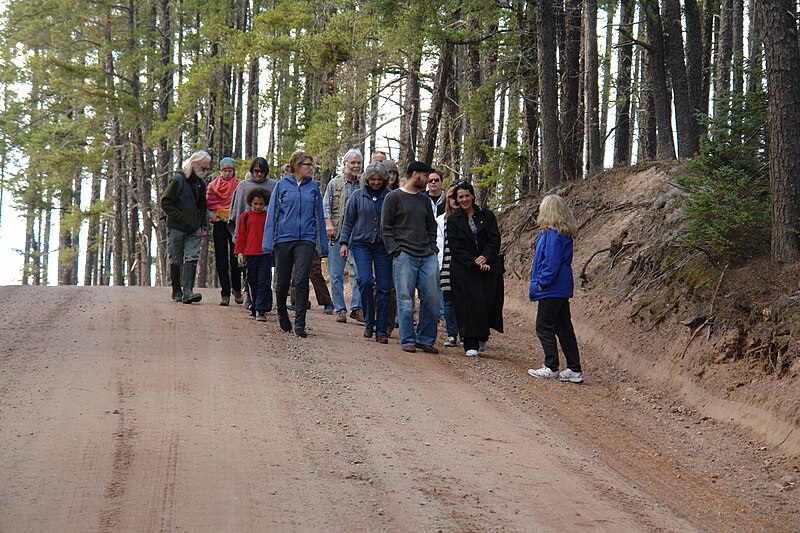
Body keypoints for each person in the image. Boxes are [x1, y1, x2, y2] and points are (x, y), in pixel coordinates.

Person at [263, 150, 328, 338]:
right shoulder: (282, 185)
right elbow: (272, 215)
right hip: (284, 239)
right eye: (308, 165)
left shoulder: (314, 188)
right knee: (282, 283)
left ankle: (300, 323)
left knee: (301, 280)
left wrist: (322, 245)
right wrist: (268, 242)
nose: (311, 168)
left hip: (306, 240)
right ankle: (282, 314)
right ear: (297, 165)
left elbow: (318, 217)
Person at [381, 161, 440, 354]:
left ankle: (426, 339)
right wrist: (395, 250)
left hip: (427, 254)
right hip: (404, 254)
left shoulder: (424, 200)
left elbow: (431, 226)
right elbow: (386, 227)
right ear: (415, 174)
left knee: (431, 298)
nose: (428, 180)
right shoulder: (393, 197)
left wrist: (433, 247)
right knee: (405, 298)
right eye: (425, 176)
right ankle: (407, 339)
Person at [527, 194, 583, 383]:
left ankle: (551, 366)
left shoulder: (552, 235)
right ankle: (574, 368)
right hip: (561, 286)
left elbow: (550, 263)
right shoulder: (563, 234)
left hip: (552, 287)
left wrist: (542, 282)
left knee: (543, 326)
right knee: (563, 327)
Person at [446, 181, 504, 357]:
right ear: (456, 199)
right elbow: (455, 247)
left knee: (485, 301)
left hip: (487, 267)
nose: (464, 199)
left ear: (473, 196)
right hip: (464, 268)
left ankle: (482, 336)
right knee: (466, 304)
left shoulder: (487, 215)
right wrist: (474, 261)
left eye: (467, 195)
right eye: (460, 197)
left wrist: (485, 257)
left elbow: (495, 239)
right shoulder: (453, 220)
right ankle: (469, 341)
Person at [339, 162, 393, 344]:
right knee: (365, 280)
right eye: (372, 179)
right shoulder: (357, 196)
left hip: (383, 246)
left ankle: (382, 329)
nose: (376, 182)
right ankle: (369, 322)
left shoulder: (390, 197)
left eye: (379, 179)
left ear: (384, 179)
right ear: (367, 179)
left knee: (385, 287)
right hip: (361, 244)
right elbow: (348, 221)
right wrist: (344, 243)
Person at [228, 157, 278, 311]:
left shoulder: (274, 186)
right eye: (256, 171)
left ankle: (263, 303)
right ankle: (250, 298)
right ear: (251, 170)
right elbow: (236, 209)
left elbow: (278, 209)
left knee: (264, 274)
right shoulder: (243, 186)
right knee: (250, 272)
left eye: (262, 171)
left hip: (267, 235)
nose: (259, 174)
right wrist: (236, 235)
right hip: (247, 234)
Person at [161, 150, 210, 304]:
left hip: (194, 228)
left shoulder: (201, 184)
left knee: (192, 256)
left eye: (207, 168)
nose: (206, 171)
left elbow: (203, 206)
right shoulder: (178, 179)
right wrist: (179, 217)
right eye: (204, 168)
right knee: (175, 258)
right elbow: (165, 201)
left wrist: (203, 224)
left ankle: (188, 291)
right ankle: (177, 289)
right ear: (195, 164)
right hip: (176, 227)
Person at [323, 148, 363, 323]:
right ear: (345, 164)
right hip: (337, 233)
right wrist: (328, 224)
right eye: (352, 162)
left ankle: (356, 308)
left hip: (359, 233)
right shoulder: (335, 183)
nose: (355, 166)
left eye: (358, 163)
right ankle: (340, 309)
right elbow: (326, 205)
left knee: (360, 273)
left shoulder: (364, 184)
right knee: (336, 273)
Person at [206, 157, 242, 306]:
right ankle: (225, 293)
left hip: (234, 224)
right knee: (221, 260)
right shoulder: (213, 186)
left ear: (233, 171)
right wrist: (211, 216)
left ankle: (237, 289)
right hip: (219, 223)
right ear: (221, 171)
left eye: (230, 171)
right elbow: (208, 203)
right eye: (225, 171)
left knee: (235, 259)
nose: (227, 173)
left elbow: (242, 203)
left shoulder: (239, 186)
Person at [234, 188, 272, 321]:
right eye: (255, 203)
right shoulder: (245, 216)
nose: (258, 206)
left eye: (261, 204)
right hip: (250, 254)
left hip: (265, 254)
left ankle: (261, 309)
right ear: (251, 203)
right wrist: (239, 253)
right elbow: (241, 237)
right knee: (252, 281)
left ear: (265, 204)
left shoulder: (268, 216)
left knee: (264, 281)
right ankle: (255, 306)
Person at [436, 186, 459, 347]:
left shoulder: (472, 218)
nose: (456, 201)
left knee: (465, 299)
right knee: (449, 300)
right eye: (453, 198)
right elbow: (438, 245)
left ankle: (466, 332)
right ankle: (452, 334)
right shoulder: (441, 220)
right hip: (446, 263)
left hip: (465, 264)